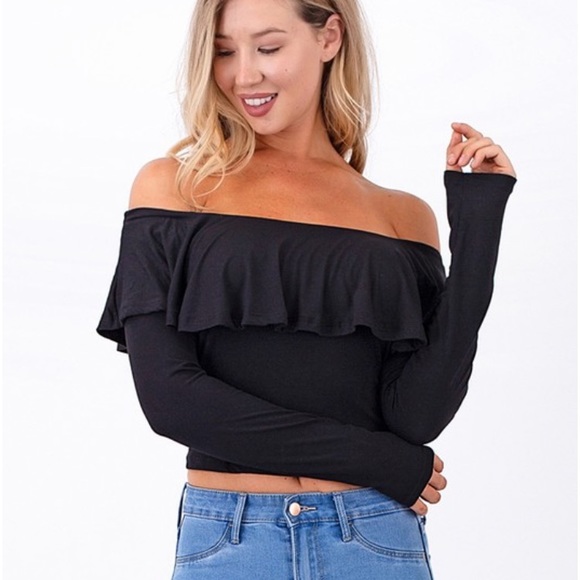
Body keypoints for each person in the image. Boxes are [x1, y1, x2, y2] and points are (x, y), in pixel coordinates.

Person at [97, 0, 517, 578]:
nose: (244, 74)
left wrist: (478, 224)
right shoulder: (176, 189)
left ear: (329, 38)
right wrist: (374, 459)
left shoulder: (399, 216)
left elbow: (414, 418)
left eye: (268, 47)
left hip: (374, 536)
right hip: (233, 540)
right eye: (224, 51)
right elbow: (170, 399)